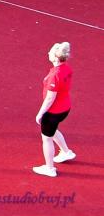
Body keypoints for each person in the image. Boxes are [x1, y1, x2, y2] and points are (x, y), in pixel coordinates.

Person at [33, 42, 75, 177]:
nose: (48, 53)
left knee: (46, 139)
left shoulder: (55, 75)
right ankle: (66, 152)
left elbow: (50, 98)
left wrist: (40, 114)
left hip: (53, 112)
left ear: (56, 57)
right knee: (53, 130)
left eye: (50, 52)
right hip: (65, 108)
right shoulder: (66, 68)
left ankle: (49, 168)